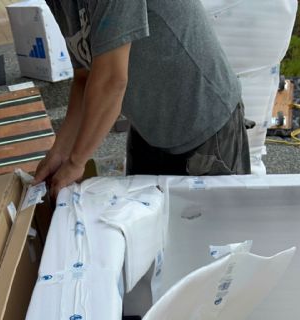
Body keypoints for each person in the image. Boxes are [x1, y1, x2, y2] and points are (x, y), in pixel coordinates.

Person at [35, 0, 251, 197]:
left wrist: (76, 162)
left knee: (209, 223)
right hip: (149, 125)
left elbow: (111, 81)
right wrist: (60, 152)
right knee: (140, 218)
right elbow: (85, 78)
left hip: (204, 120)